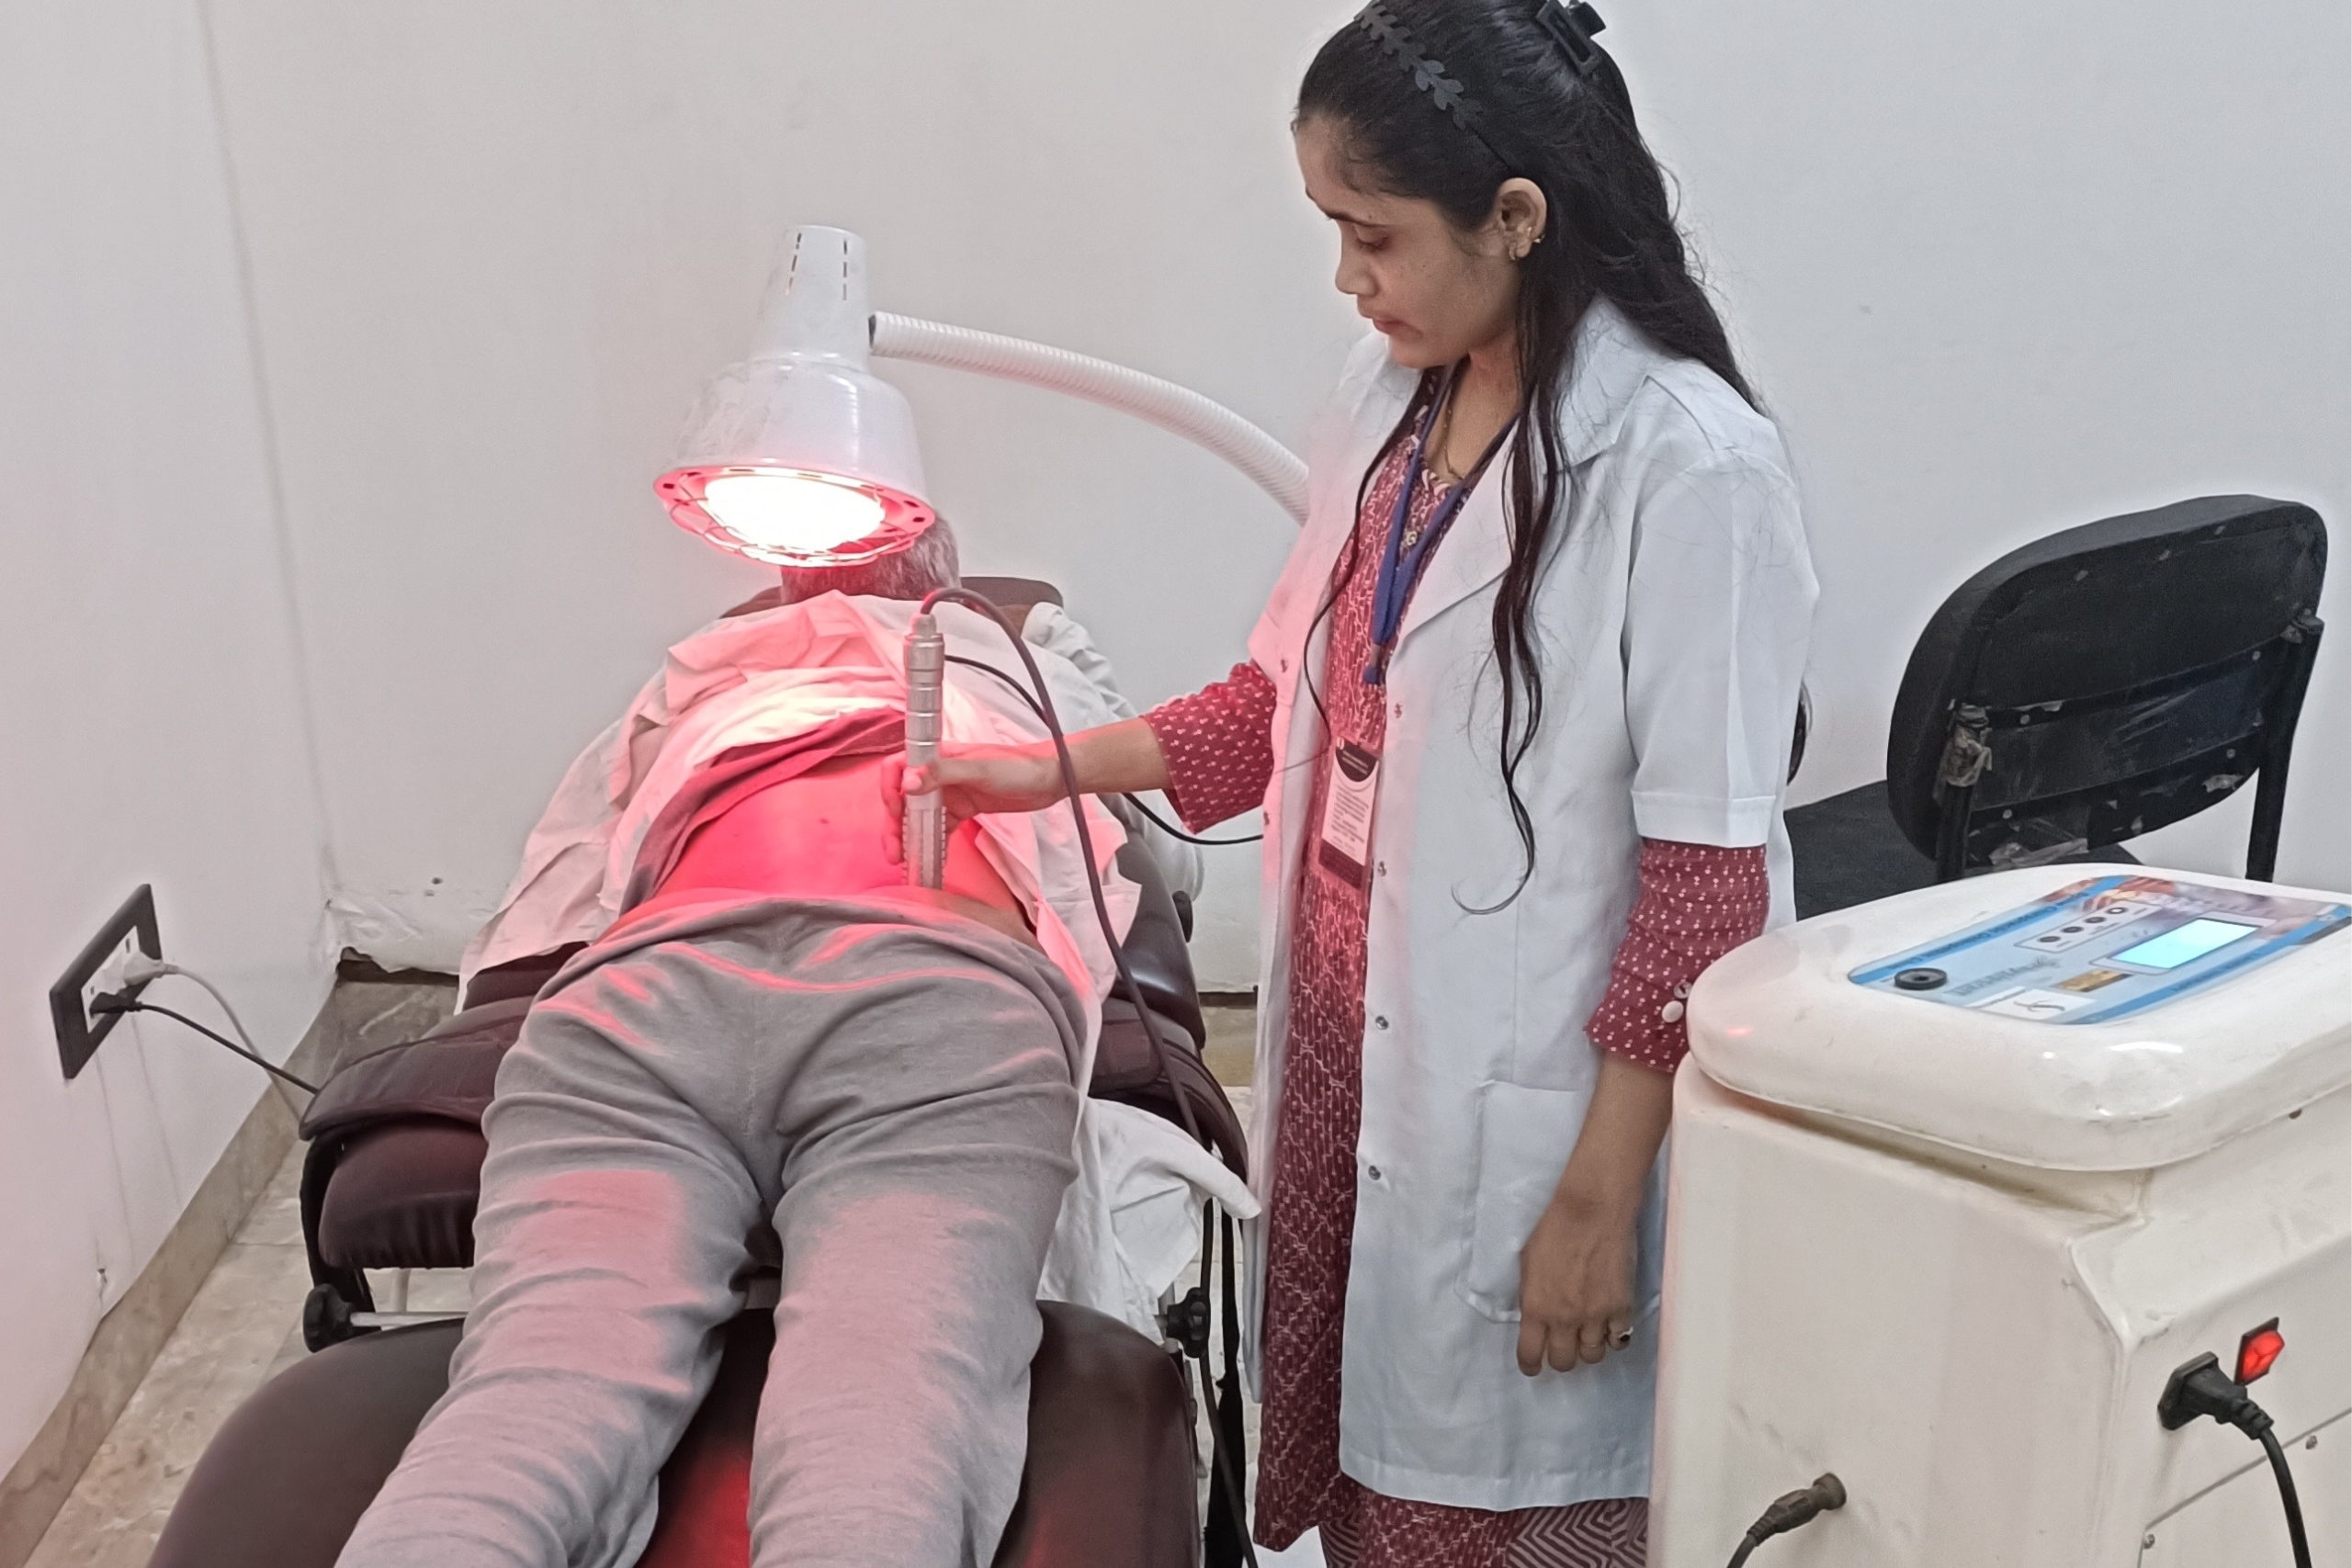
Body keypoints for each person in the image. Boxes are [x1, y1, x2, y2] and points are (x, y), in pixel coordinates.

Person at [891, 6, 1816, 1564]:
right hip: (1349, 1060)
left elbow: (1703, 882)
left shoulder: (1686, 466)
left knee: (1503, 1502)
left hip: (1537, 1112)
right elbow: (1289, 700)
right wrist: (1045, 769)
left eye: (1372, 234)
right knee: (1369, 1480)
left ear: (1514, 218)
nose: (1346, 276)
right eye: (1332, 227)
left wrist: (1597, 1201)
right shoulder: (1393, 398)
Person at [337, 519, 1248, 1568]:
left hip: (646, 1001)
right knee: (880, 1416)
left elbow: (565, 873)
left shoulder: (698, 679)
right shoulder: (1013, 671)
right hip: (931, 1005)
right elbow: (1159, 849)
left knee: (530, 1404)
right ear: (942, 580)